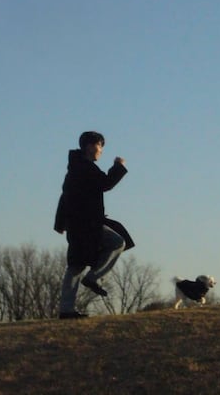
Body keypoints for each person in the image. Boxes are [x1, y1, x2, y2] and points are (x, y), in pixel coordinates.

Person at [54, 131, 134, 319]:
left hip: (80, 224)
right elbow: (105, 183)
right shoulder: (84, 168)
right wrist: (118, 167)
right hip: (86, 224)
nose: (101, 150)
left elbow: (65, 196)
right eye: (100, 145)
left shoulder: (76, 167)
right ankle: (93, 278)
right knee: (117, 243)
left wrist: (60, 223)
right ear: (90, 147)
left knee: (77, 264)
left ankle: (66, 309)